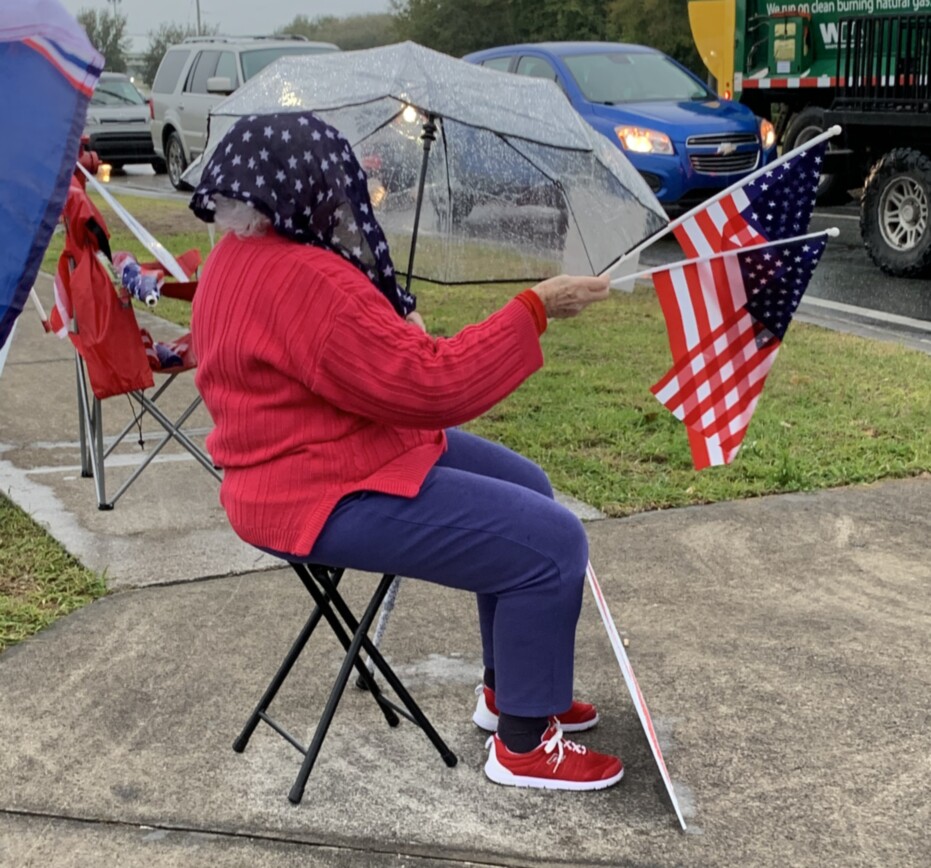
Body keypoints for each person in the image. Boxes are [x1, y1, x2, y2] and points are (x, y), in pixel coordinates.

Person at [189, 111, 622, 792]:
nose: (348, 195)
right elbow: (433, 386)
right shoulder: (310, 279)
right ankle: (522, 746)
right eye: (338, 180)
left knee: (530, 487)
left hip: (308, 461)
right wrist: (532, 309)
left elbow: (363, 366)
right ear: (307, 186)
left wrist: (393, 320)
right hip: (317, 489)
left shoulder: (238, 257)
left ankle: (514, 687)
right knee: (552, 543)